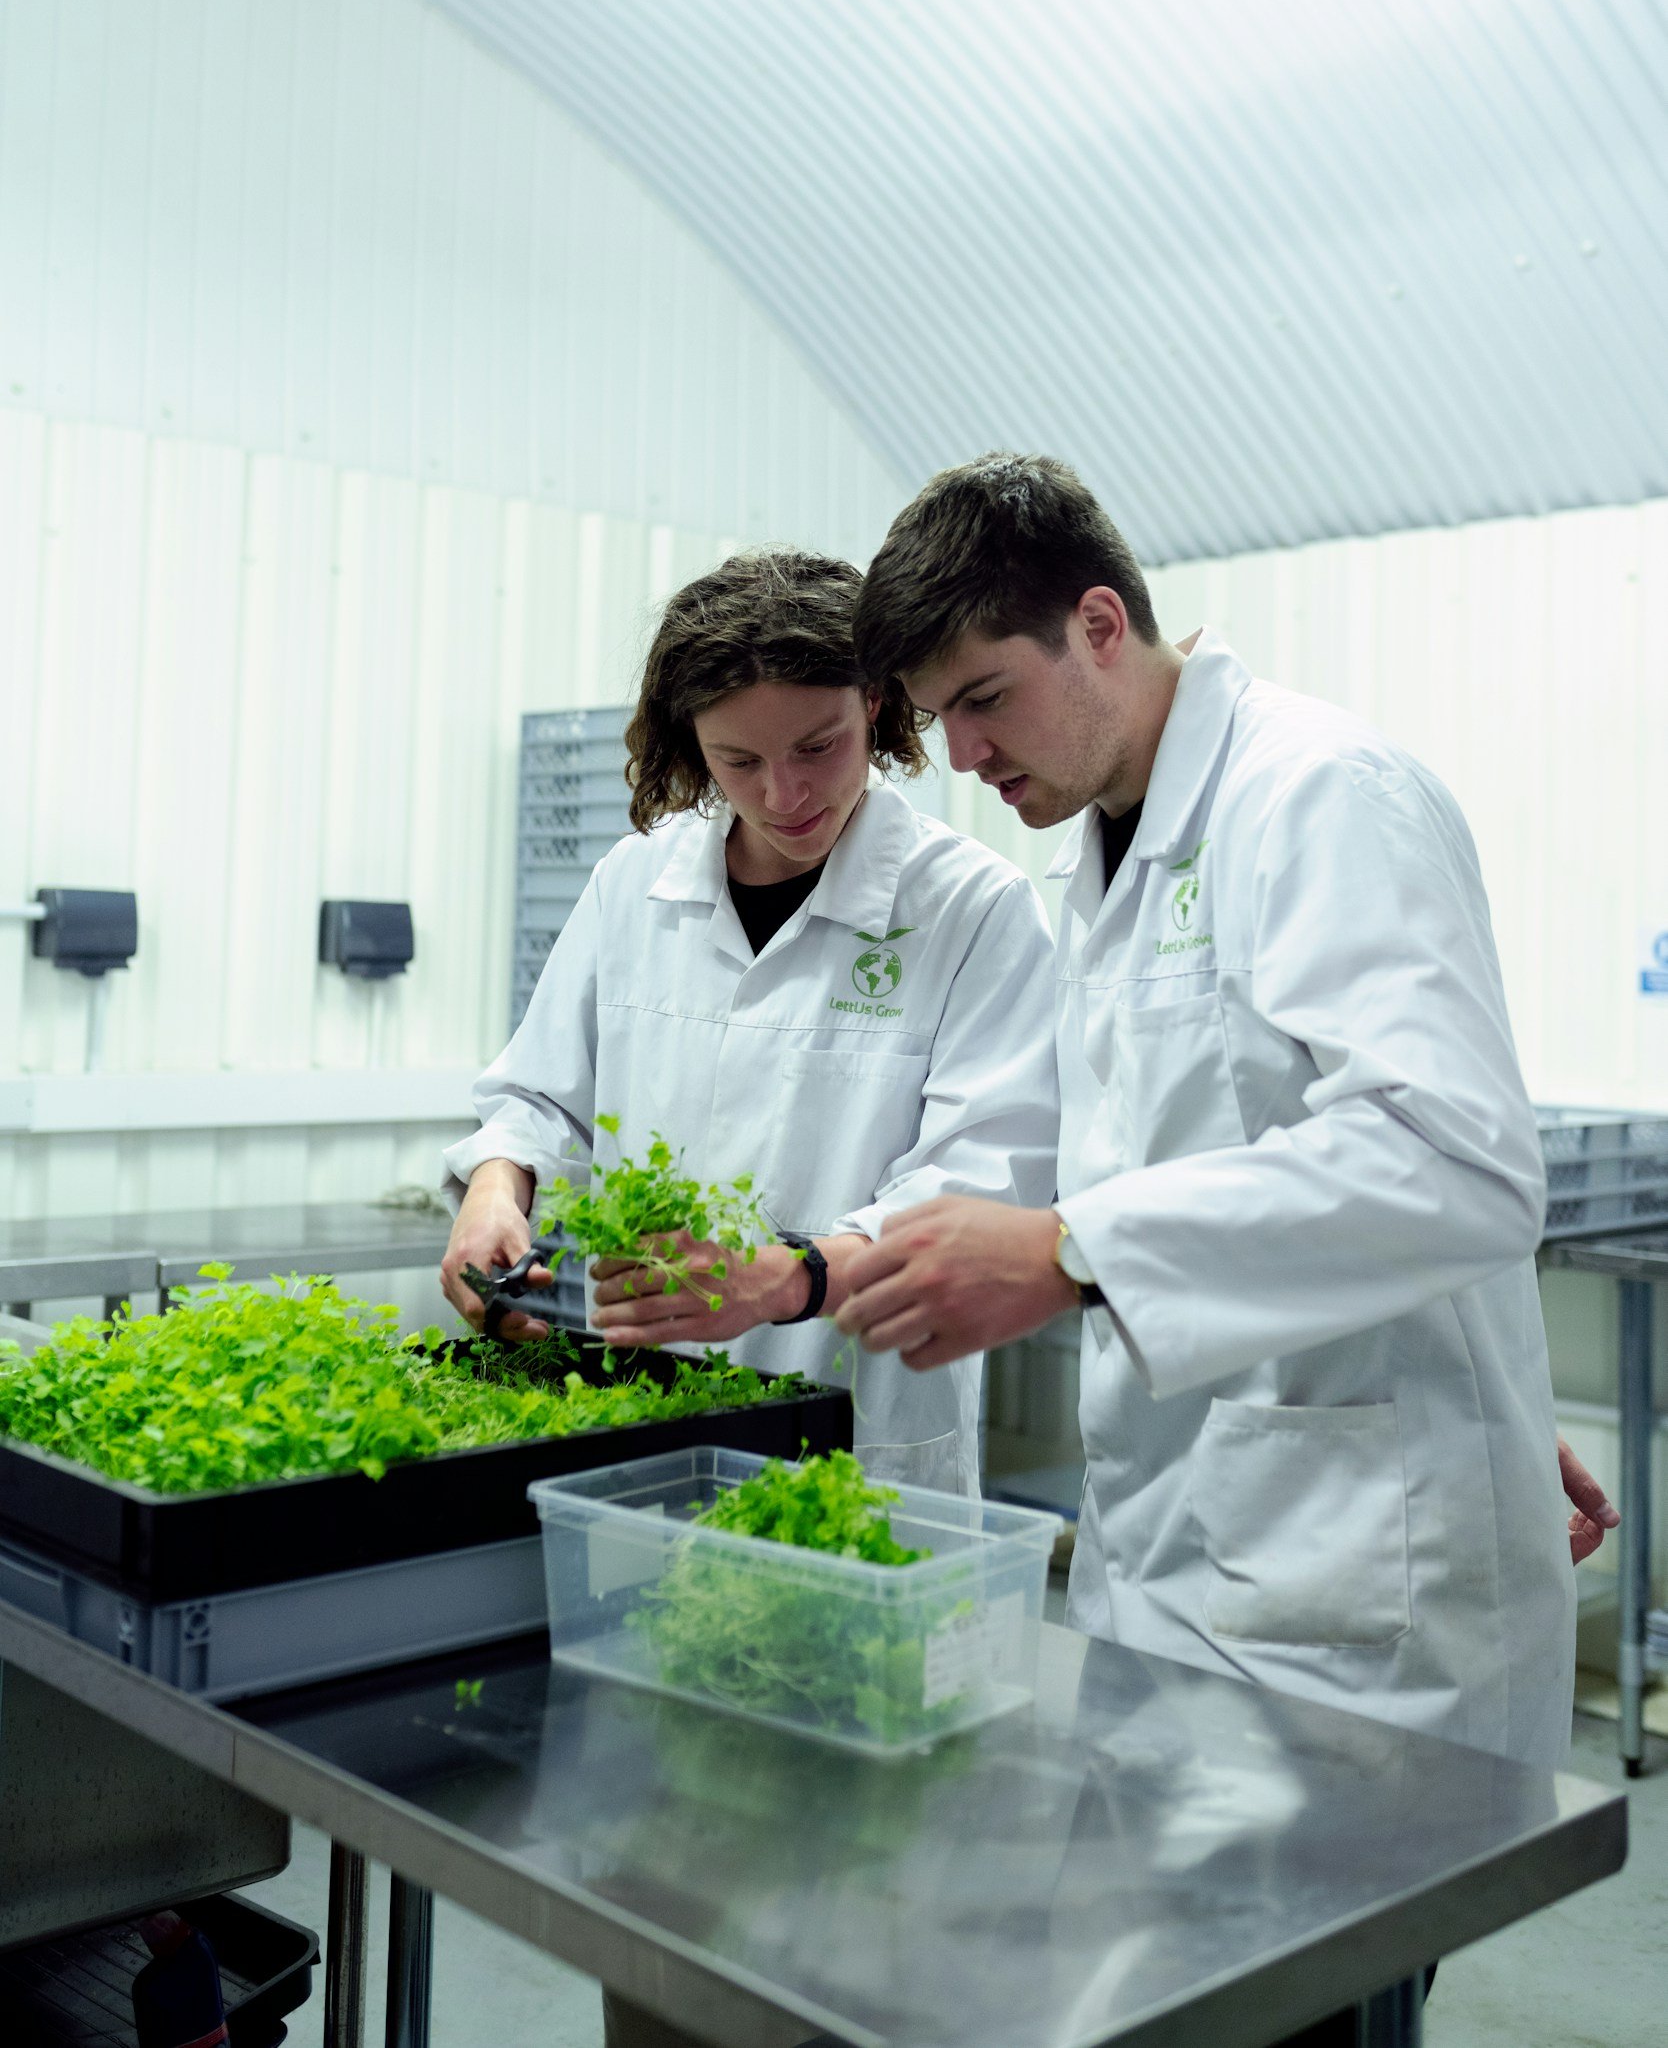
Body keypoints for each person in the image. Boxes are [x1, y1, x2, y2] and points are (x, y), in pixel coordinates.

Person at [838, 452, 1580, 1774]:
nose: (961, 756)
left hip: (1357, 1601)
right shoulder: (1104, 860)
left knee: (1329, 1979)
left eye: (984, 698)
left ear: (1101, 627)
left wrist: (1073, 1250)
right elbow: (1160, 1147)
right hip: (1173, 1559)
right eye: (939, 717)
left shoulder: (1318, 795)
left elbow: (1459, 1161)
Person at [439, 545, 1058, 1498]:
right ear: (695, 747)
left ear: (878, 708)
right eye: (740, 760)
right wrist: (495, 1188)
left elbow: (981, 1179)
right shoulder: (634, 883)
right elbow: (539, 1096)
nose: (784, 795)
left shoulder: (973, 907)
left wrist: (795, 1277)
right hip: (636, 1403)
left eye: (818, 746)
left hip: (858, 1423)